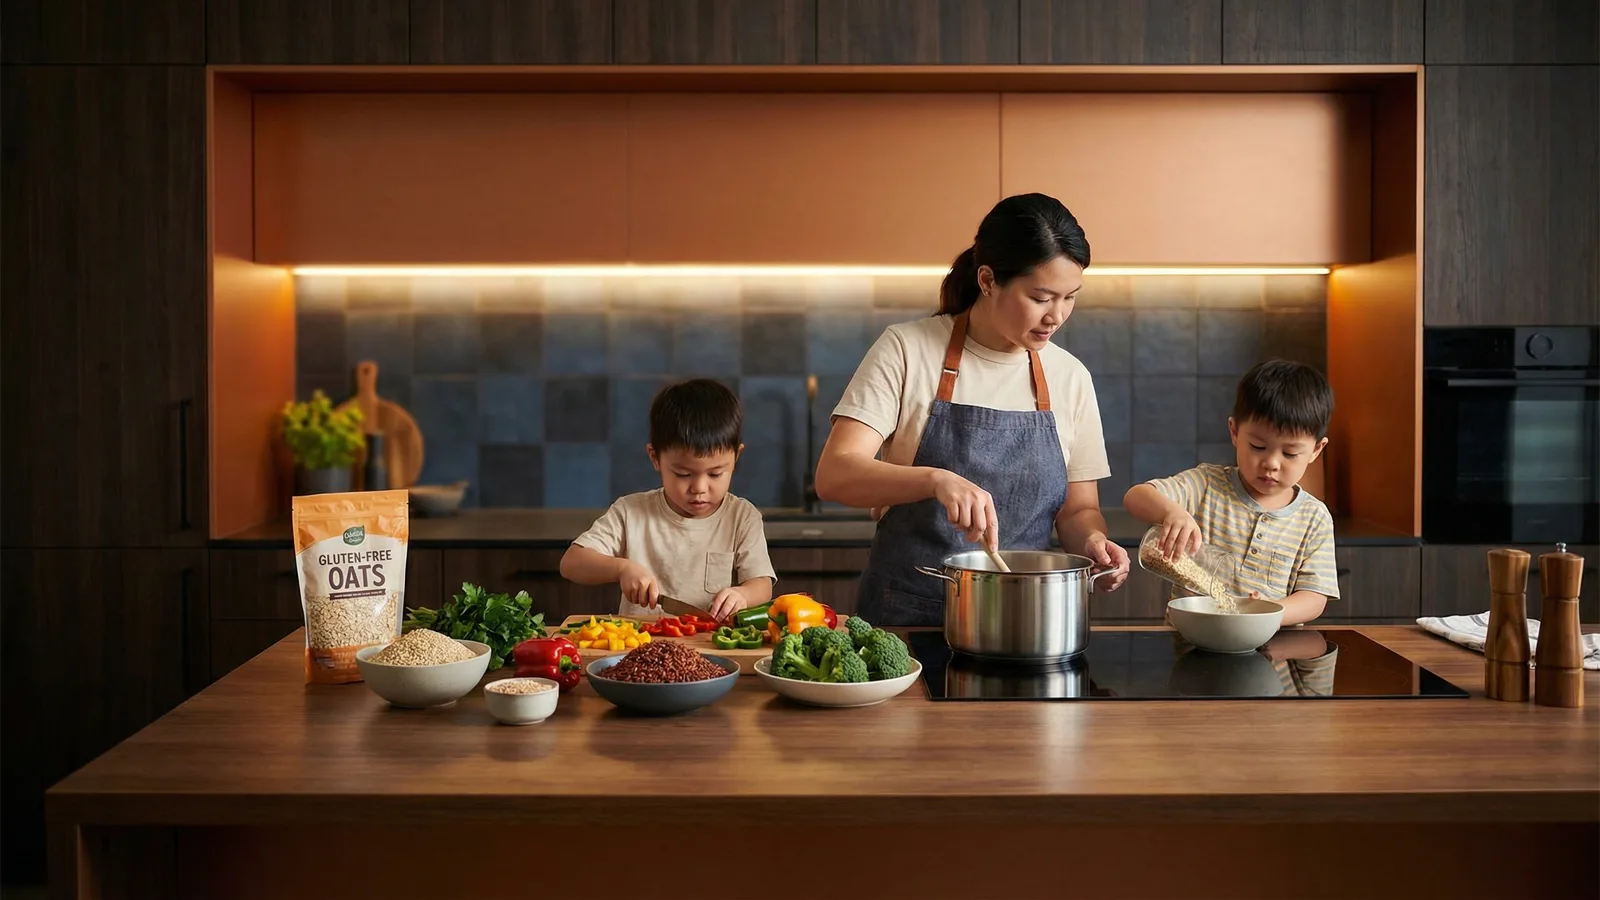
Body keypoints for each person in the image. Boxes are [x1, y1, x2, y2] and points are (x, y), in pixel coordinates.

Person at [814, 193, 1130, 627]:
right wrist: (935, 480)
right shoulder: (908, 350)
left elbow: (1077, 510)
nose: (1056, 316)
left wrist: (1094, 541)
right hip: (908, 618)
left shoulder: (1069, 377)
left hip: (1024, 621)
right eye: (1041, 297)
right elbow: (835, 475)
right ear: (987, 279)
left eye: (1069, 297)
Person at [1124, 359, 1339, 626]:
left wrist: (1269, 612)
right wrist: (1172, 512)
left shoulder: (1313, 517)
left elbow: (1314, 598)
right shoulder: (1206, 484)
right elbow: (1135, 496)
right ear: (1235, 432)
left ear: (1316, 450)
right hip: (1191, 641)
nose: (1271, 463)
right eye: (1258, 446)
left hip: (1271, 649)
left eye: (1290, 453)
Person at [560, 379, 775, 621]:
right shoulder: (631, 512)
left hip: (712, 648)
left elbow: (762, 584)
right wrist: (622, 568)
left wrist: (743, 595)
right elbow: (571, 563)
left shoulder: (742, 516)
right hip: (639, 647)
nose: (699, 488)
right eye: (683, 474)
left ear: (736, 457)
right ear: (655, 458)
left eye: (715, 473)